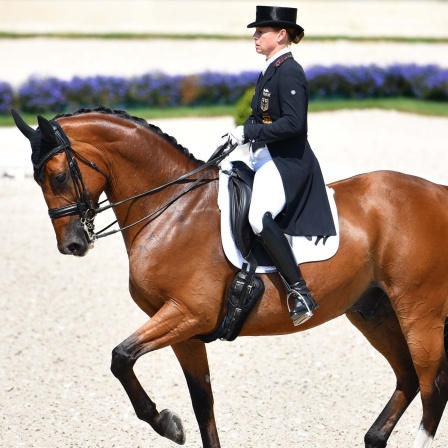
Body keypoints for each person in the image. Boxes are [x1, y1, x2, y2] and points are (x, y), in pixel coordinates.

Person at [227, 5, 336, 326]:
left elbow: (294, 124)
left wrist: (250, 131)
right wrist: (238, 136)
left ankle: (299, 291)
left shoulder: (289, 71)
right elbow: (260, 115)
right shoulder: (270, 68)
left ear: (281, 34)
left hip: (287, 160)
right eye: (256, 31)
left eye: (261, 32)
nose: (255, 36)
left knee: (258, 217)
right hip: (264, 153)